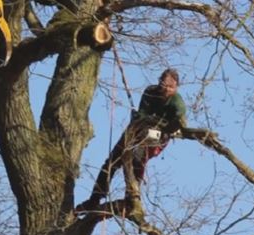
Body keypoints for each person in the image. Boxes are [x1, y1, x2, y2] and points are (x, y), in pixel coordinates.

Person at [76, 68, 187, 224]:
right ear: (159, 82)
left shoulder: (177, 103)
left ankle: (132, 197)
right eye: (164, 85)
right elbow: (142, 113)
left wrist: (166, 127)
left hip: (159, 135)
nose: (166, 90)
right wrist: (140, 123)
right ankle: (94, 198)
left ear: (175, 88)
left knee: (139, 158)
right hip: (137, 129)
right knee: (112, 161)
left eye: (170, 87)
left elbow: (180, 122)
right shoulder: (150, 92)